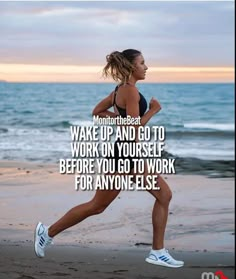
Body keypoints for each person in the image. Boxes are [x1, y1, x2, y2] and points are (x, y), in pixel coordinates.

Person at [34, 49, 184, 268]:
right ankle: (47, 232)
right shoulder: (130, 91)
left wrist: (119, 118)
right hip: (125, 154)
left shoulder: (119, 90)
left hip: (127, 153)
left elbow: (97, 111)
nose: (146, 67)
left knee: (158, 195)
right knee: (100, 205)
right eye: (143, 63)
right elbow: (132, 129)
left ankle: (158, 251)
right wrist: (152, 111)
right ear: (132, 66)